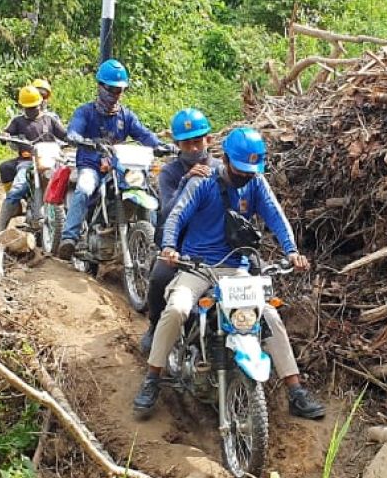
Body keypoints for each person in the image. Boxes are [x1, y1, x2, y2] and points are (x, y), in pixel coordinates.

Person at [133, 126, 325, 420]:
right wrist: (170, 247)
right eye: (242, 168)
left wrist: (292, 251)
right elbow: (176, 215)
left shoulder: (256, 183)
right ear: (225, 159)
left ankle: (295, 390)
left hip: (236, 268)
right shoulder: (201, 183)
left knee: (270, 316)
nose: (247, 174)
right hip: (197, 266)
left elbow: (276, 216)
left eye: (252, 169)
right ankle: (152, 377)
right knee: (176, 309)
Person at [58, 59, 168, 259]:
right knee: (83, 189)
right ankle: (69, 237)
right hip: (92, 165)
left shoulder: (126, 116)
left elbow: (143, 135)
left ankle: (156, 242)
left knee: (150, 192)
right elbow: (73, 130)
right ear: (99, 86)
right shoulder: (85, 112)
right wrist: (76, 138)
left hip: (120, 169)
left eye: (119, 90)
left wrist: (159, 145)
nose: (114, 94)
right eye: (110, 88)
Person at [138, 107, 221, 356]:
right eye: (187, 144)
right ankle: (154, 326)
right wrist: (186, 181)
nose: (194, 149)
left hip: (215, 244)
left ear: (209, 140)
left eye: (198, 142)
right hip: (179, 243)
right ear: (177, 145)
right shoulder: (170, 173)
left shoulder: (221, 168)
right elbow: (167, 212)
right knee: (159, 277)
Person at [0, 85, 67, 232]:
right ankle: (1, 225)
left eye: (34, 106)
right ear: (22, 107)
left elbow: (64, 134)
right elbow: (6, 134)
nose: (32, 110)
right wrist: (6, 136)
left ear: (40, 103)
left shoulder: (49, 120)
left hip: (50, 160)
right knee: (18, 188)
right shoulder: (17, 121)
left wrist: (73, 138)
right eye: (28, 107)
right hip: (27, 162)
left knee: (69, 182)